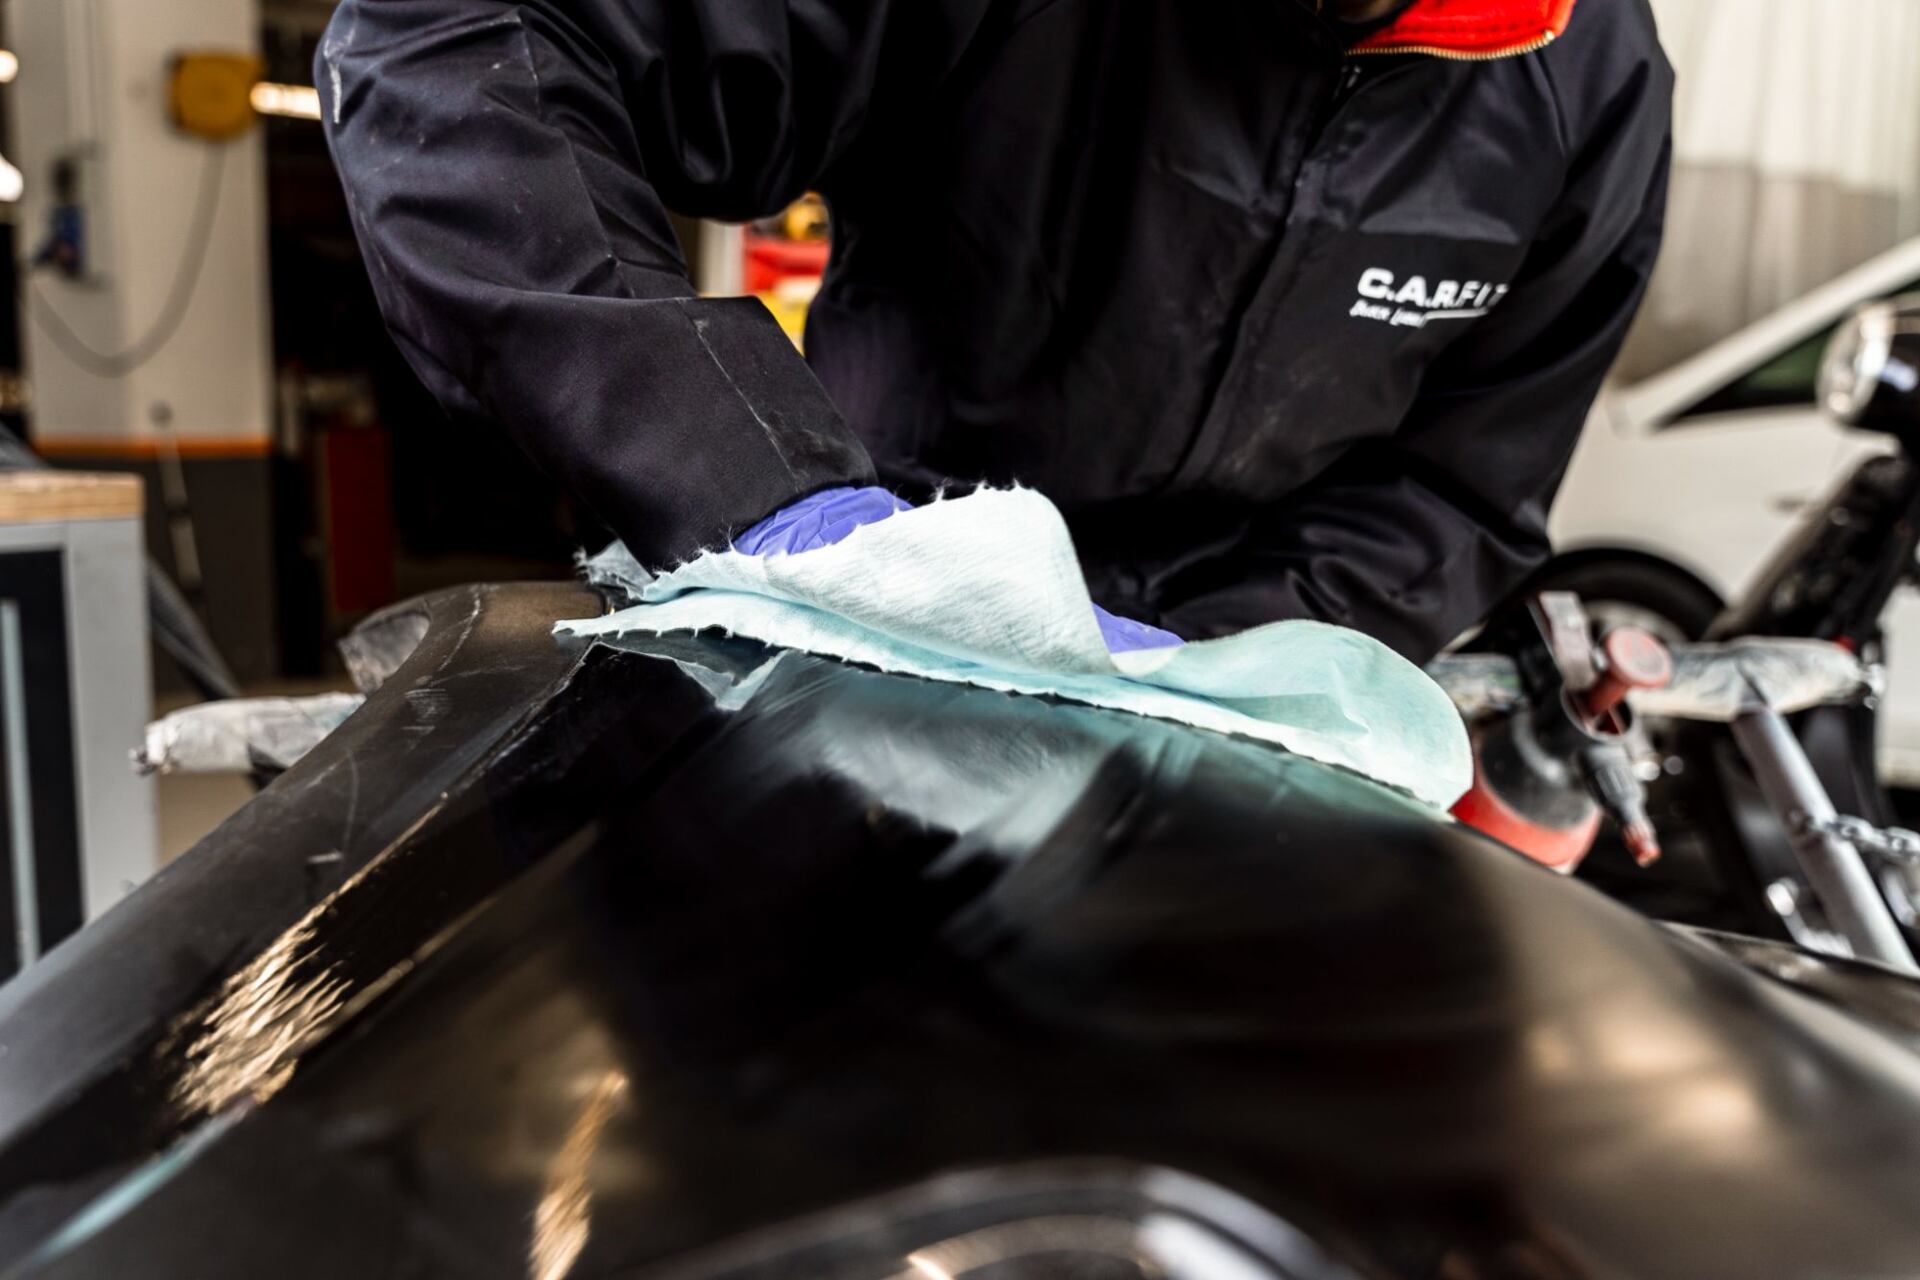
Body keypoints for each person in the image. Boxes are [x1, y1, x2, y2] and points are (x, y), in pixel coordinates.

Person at [319, 0, 1672, 662]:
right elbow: (456, 38)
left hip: (1228, 720)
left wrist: (1223, 681)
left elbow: (1457, 486)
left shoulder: (1590, 94)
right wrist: (759, 494)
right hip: (862, 621)